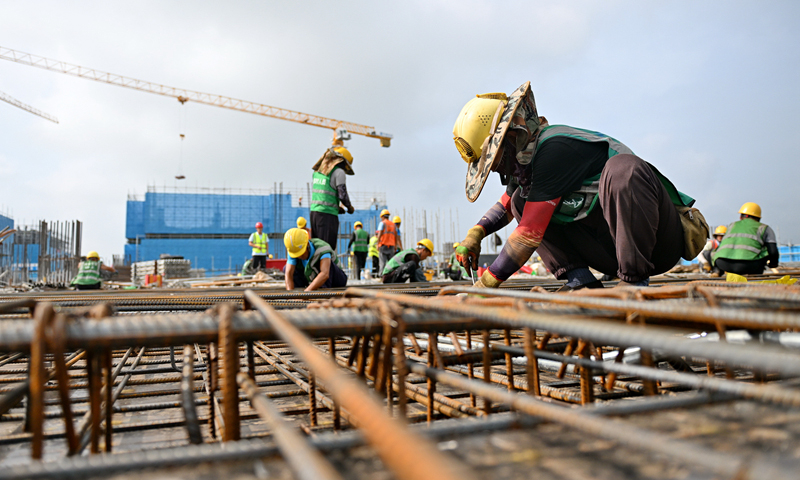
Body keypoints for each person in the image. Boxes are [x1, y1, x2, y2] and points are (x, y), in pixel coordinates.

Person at [452, 82, 699, 290]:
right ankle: (581, 282)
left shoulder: (554, 149)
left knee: (623, 170)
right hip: (610, 253)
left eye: (495, 161)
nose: (496, 169)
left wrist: (483, 287)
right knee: (519, 200)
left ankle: (634, 284)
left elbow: (528, 233)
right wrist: (476, 234)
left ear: (513, 136)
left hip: (658, 245)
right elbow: (506, 205)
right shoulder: (524, 162)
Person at [712, 202, 779, 275]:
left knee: (715, 251)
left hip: (722, 263)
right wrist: (773, 264)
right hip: (748, 266)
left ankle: (717, 271)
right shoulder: (764, 228)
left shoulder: (732, 225)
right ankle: (755, 274)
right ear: (758, 218)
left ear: (741, 217)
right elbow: (773, 252)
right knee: (766, 250)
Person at [310, 146, 355, 251]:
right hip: (328, 216)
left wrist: (336, 207)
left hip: (314, 214)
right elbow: (342, 195)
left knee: (317, 248)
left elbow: (323, 194)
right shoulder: (339, 172)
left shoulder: (317, 173)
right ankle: (327, 268)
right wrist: (349, 207)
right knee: (327, 249)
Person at [376, 209, 399, 274]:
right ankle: (392, 275)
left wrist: (377, 244)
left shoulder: (382, 223)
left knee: (382, 262)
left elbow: (379, 233)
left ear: (382, 216)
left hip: (383, 245)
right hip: (391, 246)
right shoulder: (393, 224)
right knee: (391, 263)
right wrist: (395, 246)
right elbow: (396, 235)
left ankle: (381, 276)